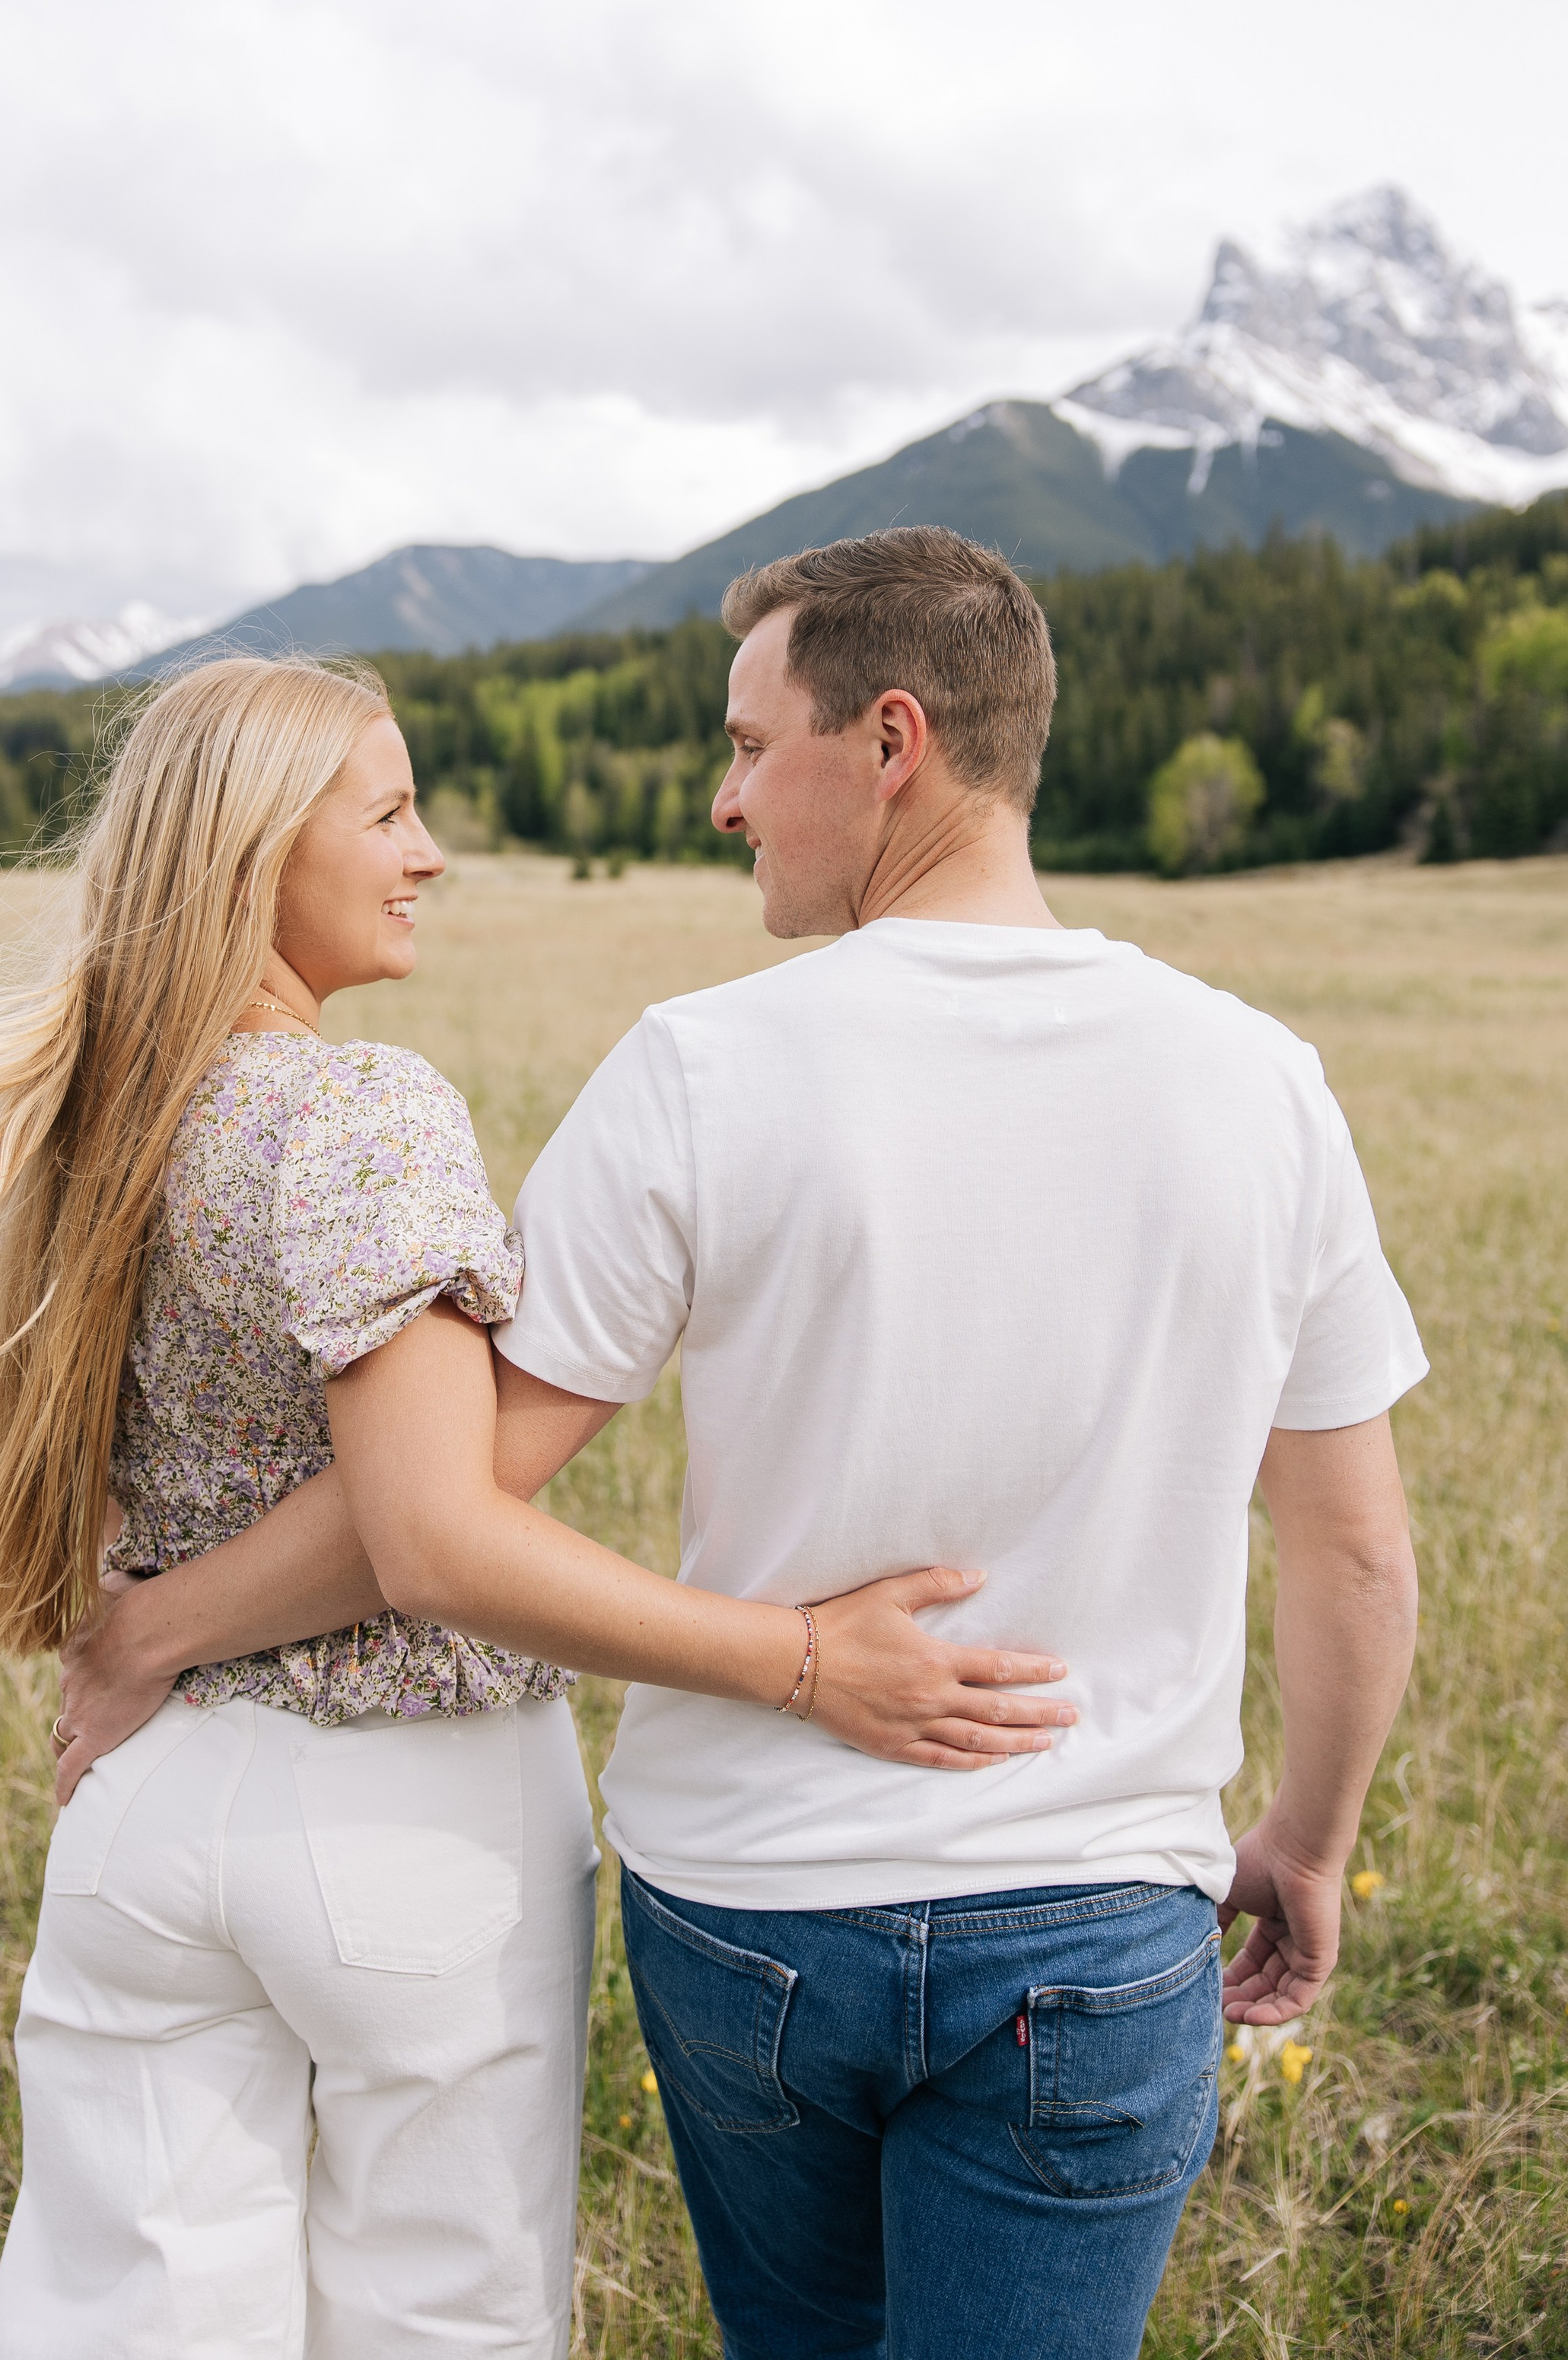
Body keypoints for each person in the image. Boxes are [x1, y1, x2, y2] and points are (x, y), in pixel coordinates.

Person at [0, 650, 1073, 2360]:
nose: (429, 852)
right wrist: (798, 1658)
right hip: (400, 1824)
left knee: (125, 2317)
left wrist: (143, 1638)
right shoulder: (355, 1106)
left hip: (144, 1800)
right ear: (257, 849)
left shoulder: (103, 1121)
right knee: (439, 2317)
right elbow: (434, 1543)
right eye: (388, 812)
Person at [482, 526, 1424, 2360]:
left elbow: (470, 1496)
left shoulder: (695, 1065)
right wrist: (1305, 1840)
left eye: (753, 746)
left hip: (753, 1909)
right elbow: (1354, 1549)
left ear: (889, 737)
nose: (720, 799)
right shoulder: (1258, 1082)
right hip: (1093, 1924)